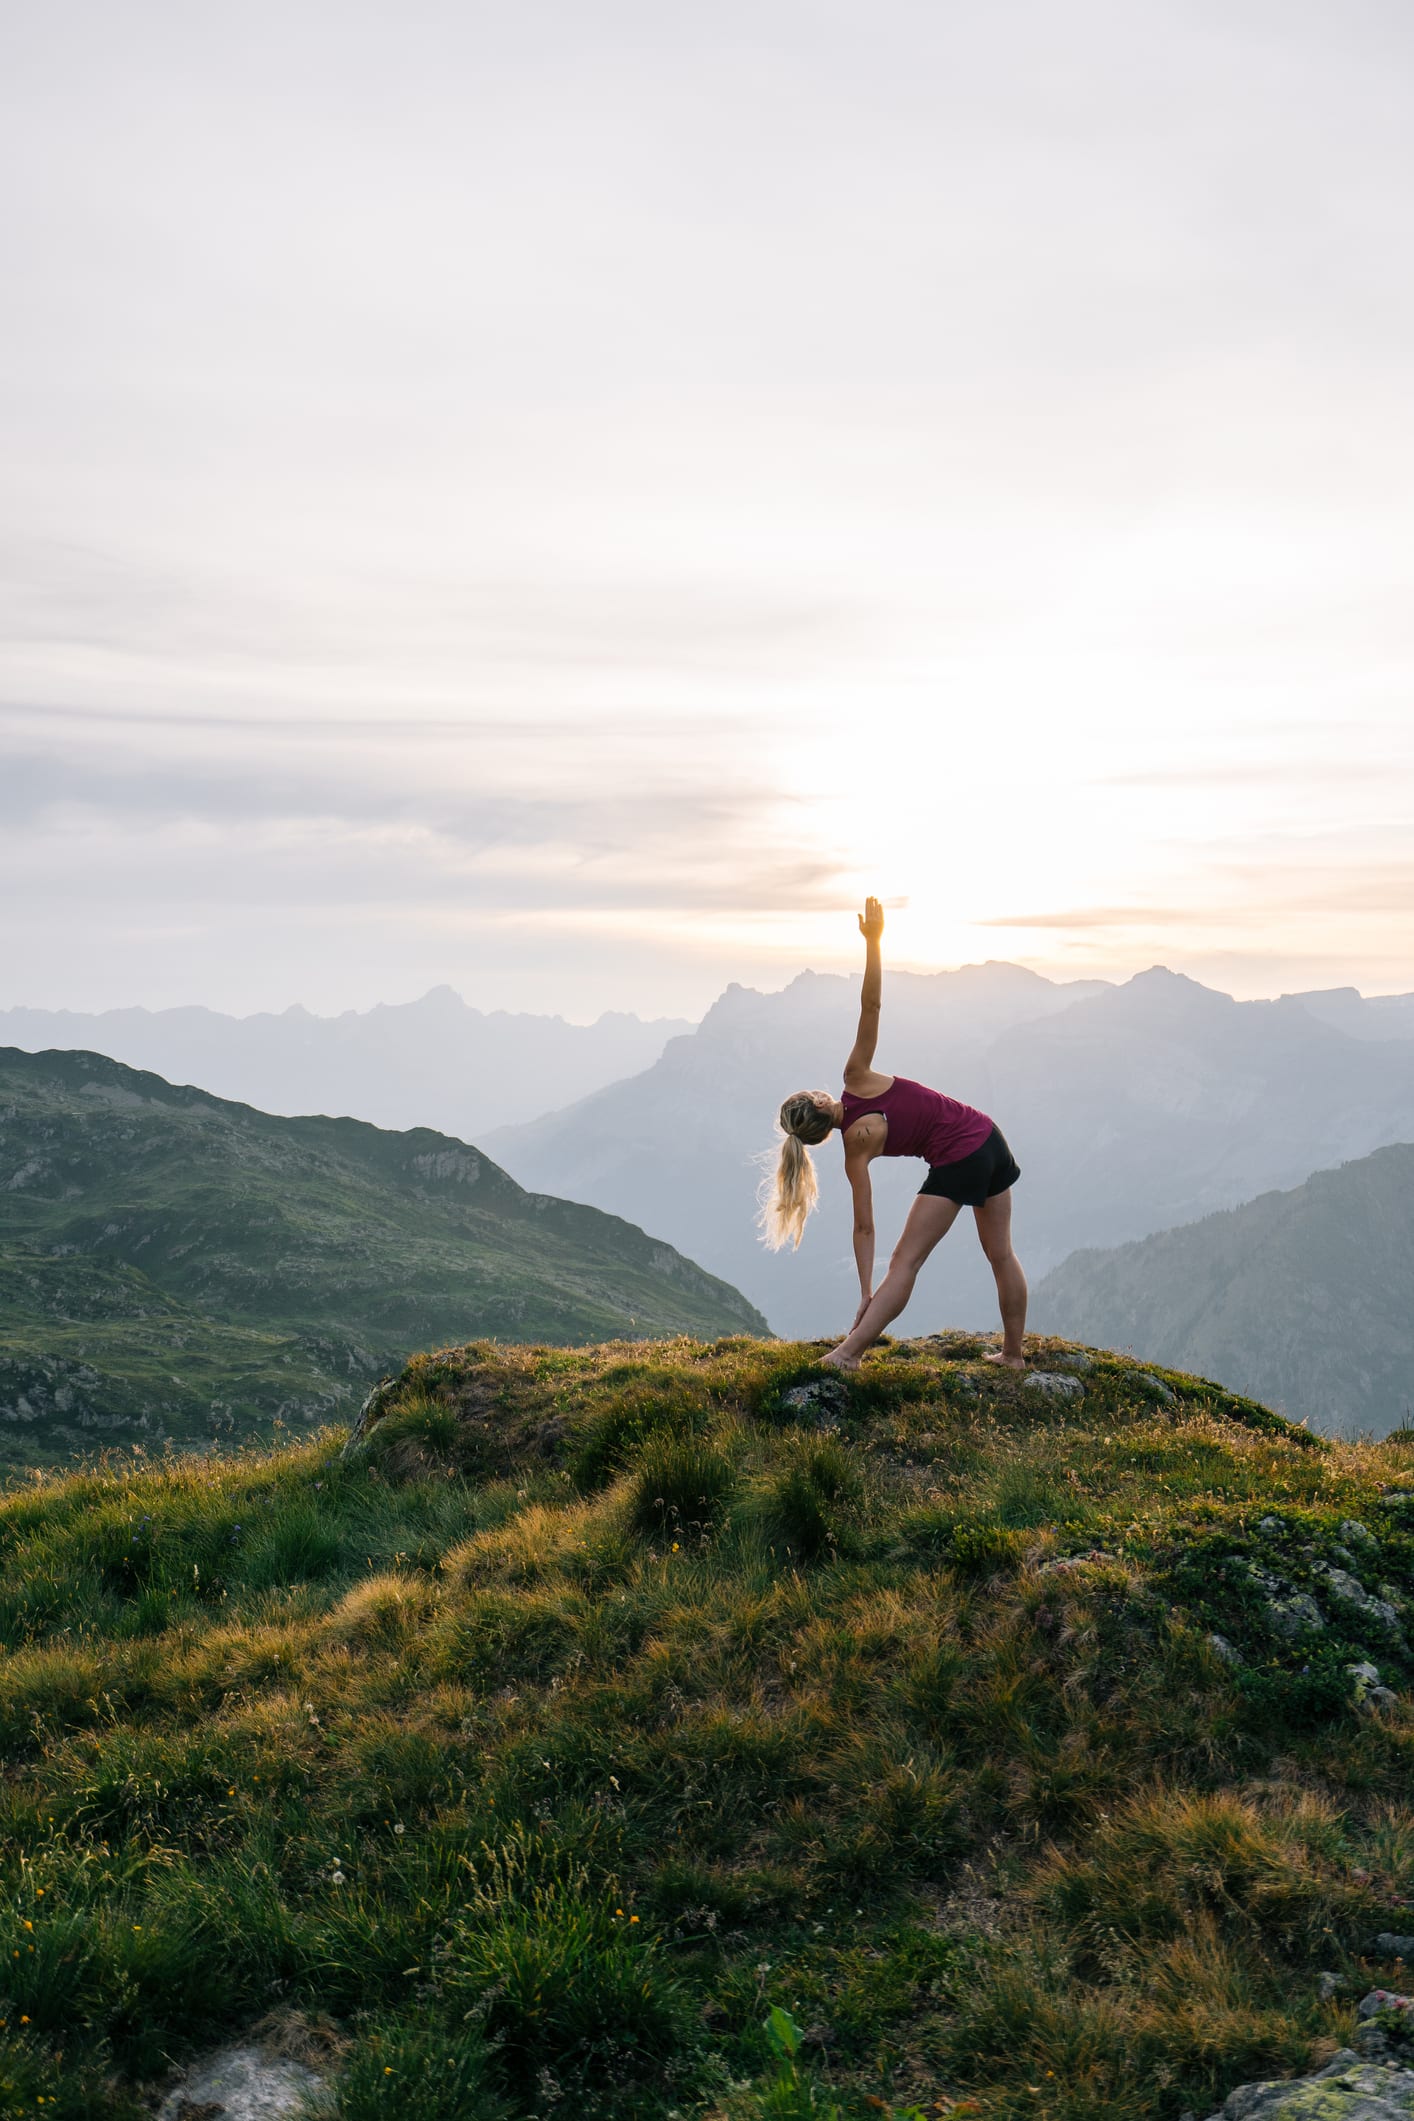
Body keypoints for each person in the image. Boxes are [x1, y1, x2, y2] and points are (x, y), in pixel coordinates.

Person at [758, 897, 1027, 1372]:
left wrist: (865, 1290)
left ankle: (848, 1354)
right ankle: (1013, 1356)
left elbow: (864, 1227)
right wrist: (874, 943)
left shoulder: (853, 1154)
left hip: (961, 1155)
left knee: (905, 1261)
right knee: (1001, 1253)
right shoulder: (856, 1076)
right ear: (819, 1102)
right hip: (987, 1137)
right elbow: (872, 1006)